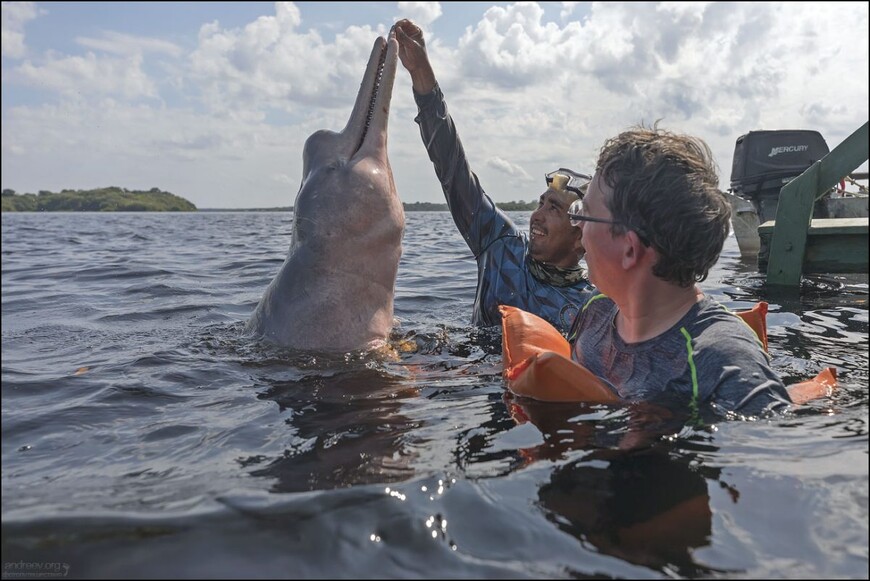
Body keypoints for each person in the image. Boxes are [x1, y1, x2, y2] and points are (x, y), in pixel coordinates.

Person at [566, 125, 792, 416]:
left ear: (630, 249)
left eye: (585, 214)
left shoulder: (724, 364)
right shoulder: (595, 310)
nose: (578, 227)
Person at [393, 20, 591, 333]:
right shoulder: (502, 247)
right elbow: (452, 169)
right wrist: (421, 72)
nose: (536, 215)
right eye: (541, 203)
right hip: (467, 360)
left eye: (554, 207)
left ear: (581, 238)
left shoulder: (592, 308)